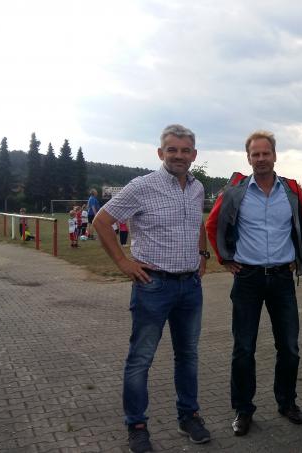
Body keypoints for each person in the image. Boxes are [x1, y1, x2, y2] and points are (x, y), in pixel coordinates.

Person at [92, 124, 210, 453]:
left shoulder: (198, 188)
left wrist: (202, 253)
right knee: (141, 358)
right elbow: (101, 221)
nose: (179, 156)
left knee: (188, 356)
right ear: (161, 153)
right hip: (153, 286)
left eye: (186, 150)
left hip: (190, 286)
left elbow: (197, 221)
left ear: (194, 155)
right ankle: (137, 425)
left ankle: (189, 416)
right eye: (172, 150)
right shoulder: (141, 187)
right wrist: (123, 262)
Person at [206, 130, 302, 437]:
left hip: (281, 278)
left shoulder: (291, 190)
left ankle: (287, 402)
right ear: (248, 158)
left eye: (266, 153)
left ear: (275, 155)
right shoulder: (236, 191)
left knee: (289, 348)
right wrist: (224, 258)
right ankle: (243, 409)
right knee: (243, 348)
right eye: (256, 154)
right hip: (248, 279)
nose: (261, 159)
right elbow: (213, 224)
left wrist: (298, 253)